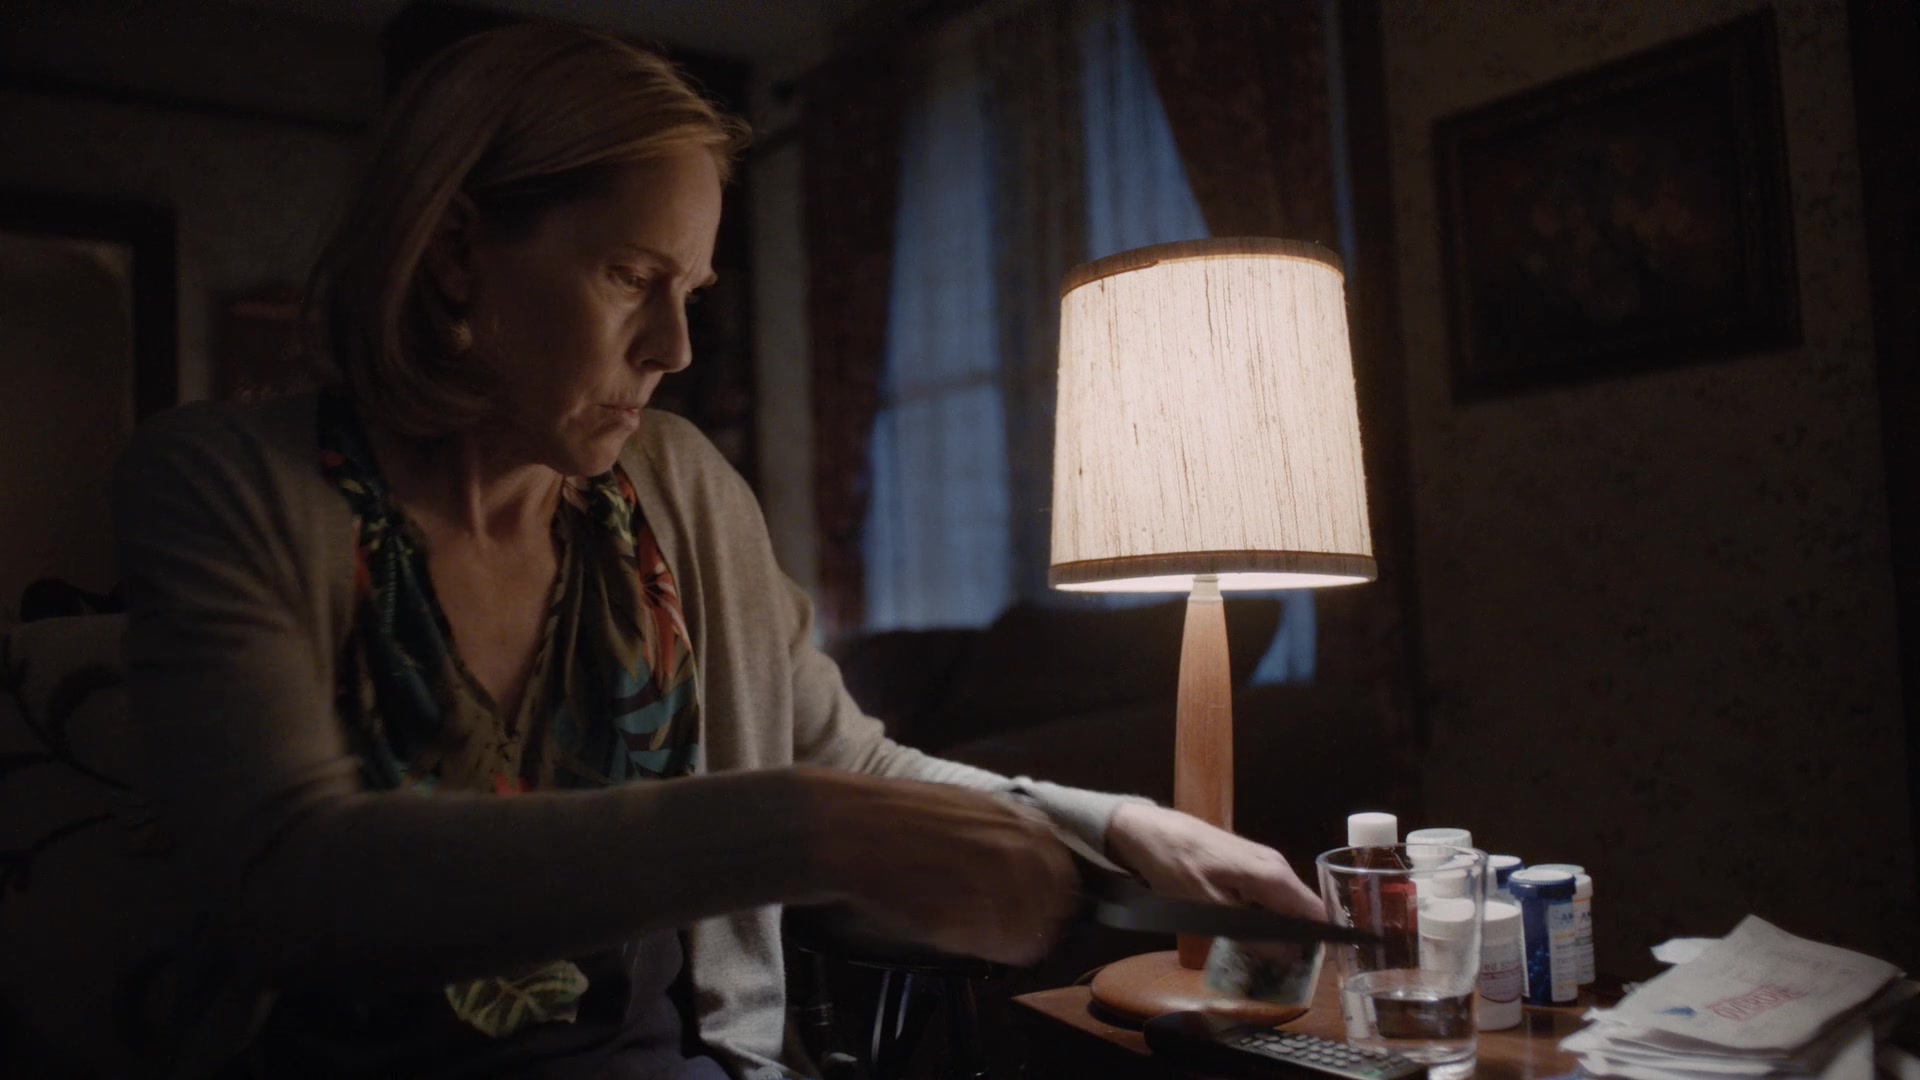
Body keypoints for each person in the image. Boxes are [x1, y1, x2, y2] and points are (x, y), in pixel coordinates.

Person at [113, 23, 1324, 1080]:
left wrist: (1121, 827)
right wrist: (798, 828)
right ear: (454, 253)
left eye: (689, 290)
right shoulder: (222, 483)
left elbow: (849, 760)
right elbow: (287, 886)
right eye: (631, 276)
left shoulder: (677, 486)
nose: (674, 347)